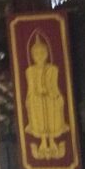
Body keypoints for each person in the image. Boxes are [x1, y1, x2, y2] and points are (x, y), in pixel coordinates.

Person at [24, 32, 68, 160]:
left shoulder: (53, 69)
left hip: (51, 97)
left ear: (47, 54)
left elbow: (54, 85)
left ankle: (52, 140)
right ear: (32, 56)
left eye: (42, 53)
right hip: (36, 99)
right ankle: (43, 141)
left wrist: (53, 94)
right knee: (34, 106)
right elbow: (31, 88)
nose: (39, 56)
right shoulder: (30, 71)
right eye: (36, 54)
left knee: (54, 106)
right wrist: (34, 96)